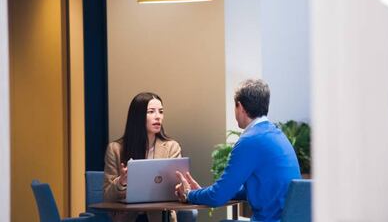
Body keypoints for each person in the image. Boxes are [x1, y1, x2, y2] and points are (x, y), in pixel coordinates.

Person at [175, 79, 301, 221]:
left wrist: (189, 194)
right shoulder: (277, 134)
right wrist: (200, 192)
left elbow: (218, 197)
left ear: (240, 107)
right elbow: (248, 190)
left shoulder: (250, 141)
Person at [104, 92, 181, 222]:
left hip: (160, 217)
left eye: (161, 112)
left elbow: (176, 191)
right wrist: (121, 181)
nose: (158, 117)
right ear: (137, 116)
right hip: (128, 217)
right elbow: (107, 197)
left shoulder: (171, 147)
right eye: (151, 112)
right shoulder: (115, 149)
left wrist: (182, 187)